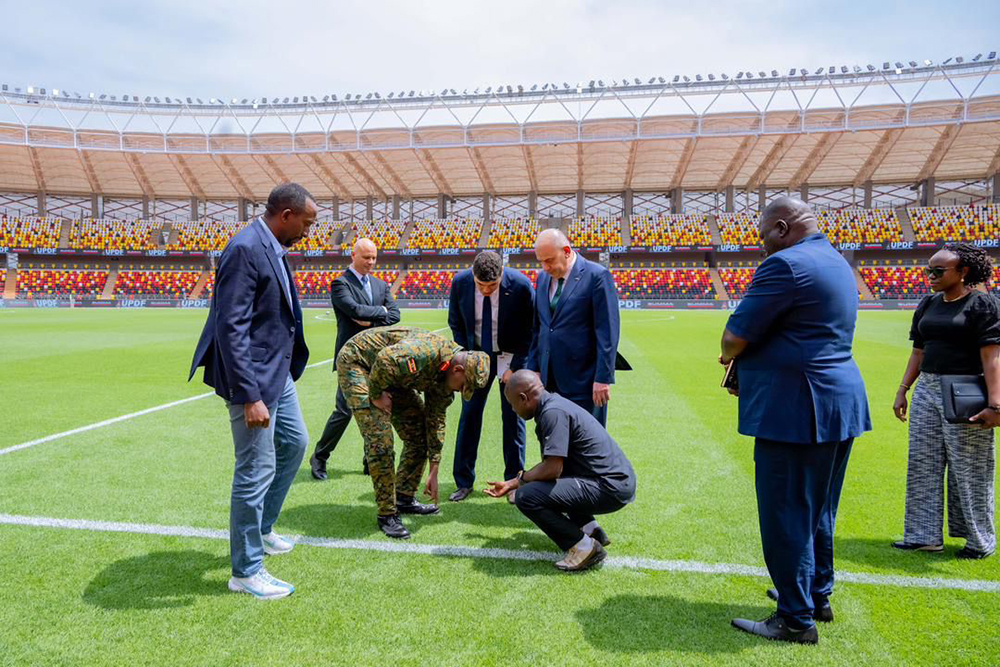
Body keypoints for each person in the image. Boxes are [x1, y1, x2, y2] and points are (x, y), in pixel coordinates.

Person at [719, 196, 871, 644]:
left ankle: (794, 618)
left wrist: (732, 357)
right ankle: (814, 594)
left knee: (786, 511)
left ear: (782, 227)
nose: (761, 243)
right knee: (819, 508)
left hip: (795, 407)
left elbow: (734, 337)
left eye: (763, 233)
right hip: (835, 402)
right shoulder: (835, 260)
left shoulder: (784, 265)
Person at [189, 182, 317, 600]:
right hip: (253, 381)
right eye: (306, 222)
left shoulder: (273, 246)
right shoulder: (245, 249)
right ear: (286, 215)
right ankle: (245, 571)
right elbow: (231, 327)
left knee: (295, 443)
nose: (309, 231)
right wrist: (249, 396)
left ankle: (262, 530)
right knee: (254, 469)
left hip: (276, 373)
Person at [892, 243, 1000, 559]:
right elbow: (918, 351)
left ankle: (979, 540)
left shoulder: (982, 305)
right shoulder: (928, 304)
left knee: (970, 467)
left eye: (938, 271)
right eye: (929, 270)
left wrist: (996, 405)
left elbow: (991, 356)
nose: (931, 275)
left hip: (966, 390)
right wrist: (903, 388)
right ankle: (923, 536)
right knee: (922, 462)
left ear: (963, 272)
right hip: (927, 388)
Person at [337, 325, 490, 539]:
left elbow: (435, 419)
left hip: (394, 375)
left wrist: (434, 469)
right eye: (463, 385)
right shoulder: (425, 352)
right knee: (380, 440)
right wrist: (376, 394)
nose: (460, 391)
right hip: (360, 363)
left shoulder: (446, 377)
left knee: (419, 435)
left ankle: (403, 497)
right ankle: (387, 514)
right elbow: (384, 359)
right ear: (458, 370)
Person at [484, 370, 636, 572]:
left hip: (610, 486)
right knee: (548, 486)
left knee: (527, 497)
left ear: (524, 398)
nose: (513, 410)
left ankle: (584, 547)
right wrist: (513, 482)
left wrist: (521, 481)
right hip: (614, 481)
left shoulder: (551, 413)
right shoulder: (553, 404)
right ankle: (592, 531)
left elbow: (552, 469)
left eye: (513, 405)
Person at [447, 250, 535, 502]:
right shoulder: (460, 282)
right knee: (470, 416)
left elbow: (530, 329)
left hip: (509, 357)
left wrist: (516, 366)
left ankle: (513, 482)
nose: (486, 290)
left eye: (492, 285)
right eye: (481, 285)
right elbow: (455, 321)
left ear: (502, 276)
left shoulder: (520, 285)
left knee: (513, 419)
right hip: (476, 356)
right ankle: (463, 482)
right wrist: (466, 357)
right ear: (473, 276)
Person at [310, 238, 400, 480]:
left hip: (377, 359)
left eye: (373, 257)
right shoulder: (340, 284)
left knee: (378, 409)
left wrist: (373, 317)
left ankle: (369, 461)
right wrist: (380, 313)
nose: (371, 262)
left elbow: (395, 315)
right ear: (353, 255)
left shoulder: (381, 285)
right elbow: (353, 310)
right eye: (366, 257)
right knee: (344, 411)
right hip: (349, 358)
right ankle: (320, 456)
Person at [525, 228, 620, 426]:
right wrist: (534, 368)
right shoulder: (542, 278)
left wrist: (603, 378)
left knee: (585, 444)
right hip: (547, 381)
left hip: (583, 380)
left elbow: (607, 332)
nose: (544, 267)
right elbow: (538, 328)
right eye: (540, 261)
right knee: (551, 441)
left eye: (549, 260)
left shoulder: (597, 276)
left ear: (567, 251)